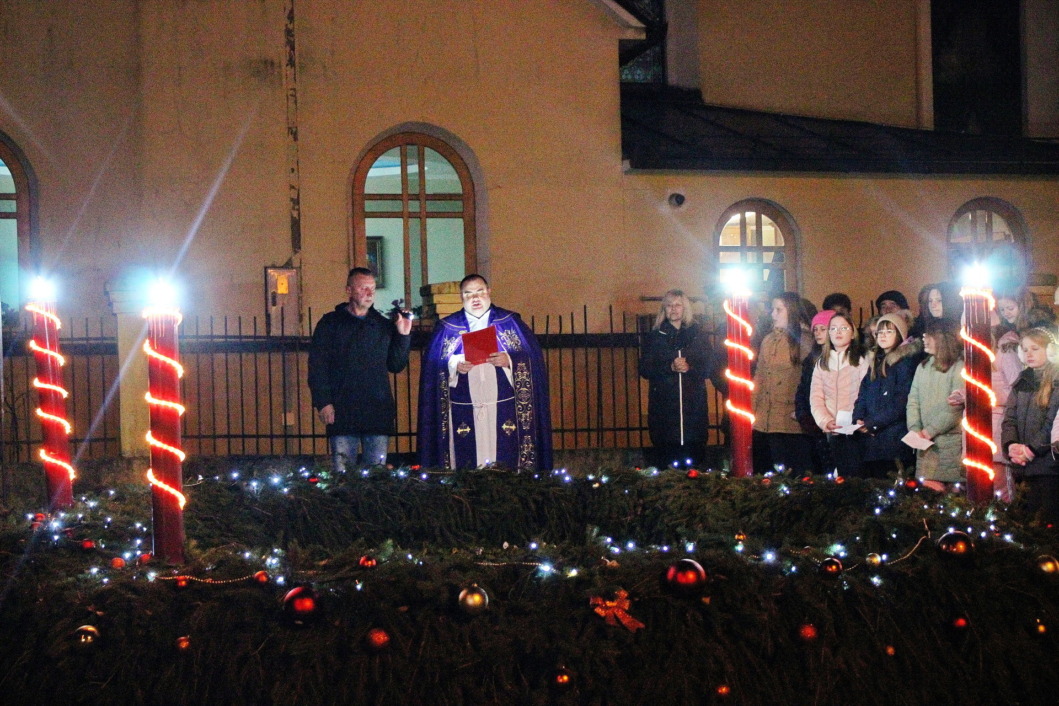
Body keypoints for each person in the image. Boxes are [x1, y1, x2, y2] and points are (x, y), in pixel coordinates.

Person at [417, 274, 552, 471]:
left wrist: (509, 360)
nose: (475, 298)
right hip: (463, 407)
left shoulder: (510, 322)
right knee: (467, 461)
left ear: (488, 292)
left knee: (505, 459)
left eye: (480, 292)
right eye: (468, 294)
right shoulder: (447, 328)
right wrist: (454, 364)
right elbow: (433, 367)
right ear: (461, 298)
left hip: (504, 406)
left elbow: (531, 358)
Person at [308, 267, 412, 471]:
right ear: (349, 290)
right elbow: (317, 366)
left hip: (377, 410)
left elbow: (396, 365)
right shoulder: (330, 324)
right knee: (343, 472)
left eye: (372, 288)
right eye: (363, 288)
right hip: (342, 409)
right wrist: (323, 402)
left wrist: (403, 336)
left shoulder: (382, 325)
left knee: (376, 474)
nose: (370, 293)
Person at [639, 289, 713, 468]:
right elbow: (645, 368)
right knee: (667, 457)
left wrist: (690, 368)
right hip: (664, 409)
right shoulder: (654, 338)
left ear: (685, 308)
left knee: (694, 457)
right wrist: (669, 368)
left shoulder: (698, 336)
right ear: (663, 310)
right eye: (669, 305)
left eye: (678, 305)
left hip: (693, 408)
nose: (673, 309)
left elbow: (709, 366)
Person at [852, 311, 922, 478]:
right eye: (880, 332)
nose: (883, 336)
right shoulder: (876, 361)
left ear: (900, 334)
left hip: (893, 439)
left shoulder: (905, 363)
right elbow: (863, 393)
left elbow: (900, 402)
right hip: (872, 439)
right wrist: (858, 418)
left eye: (889, 331)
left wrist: (872, 423)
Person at [751, 292, 813, 474]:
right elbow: (759, 377)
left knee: (794, 473)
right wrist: (753, 411)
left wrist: (804, 410)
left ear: (792, 311)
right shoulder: (768, 340)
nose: (773, 314)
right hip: (766, 419)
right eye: (773, 309)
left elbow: (810, 379)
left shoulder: (804, 340)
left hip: (792, 420)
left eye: (779, 309)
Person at [1002, 327, 1059, 523]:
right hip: (1022, 466)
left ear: (1051, 350)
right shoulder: (1022, 381)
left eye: (1035, 349)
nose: (1028, 354)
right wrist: (1011, 445)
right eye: (1025, 349)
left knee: (1045, 525)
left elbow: (1051, 424)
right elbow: (1009, 419)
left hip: (1048, 468)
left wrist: (1031, 450)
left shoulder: (1056, 381)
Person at [906, 320, 965, 492]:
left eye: (929, 335)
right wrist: (915, 428)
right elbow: (913, 400)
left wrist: (929, 431)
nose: (924, 339)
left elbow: (955, 407)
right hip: (926, 447)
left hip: (951, 444)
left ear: (942, 338)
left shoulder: (959, 367)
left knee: (954, 499)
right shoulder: (923, 366)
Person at [810, 312, 870, 477]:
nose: (838, 332)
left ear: (852, 333)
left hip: (856, 428)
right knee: (839, 475)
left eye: (843, 328)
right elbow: (816, 397)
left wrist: (856, 419)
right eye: (833, 328)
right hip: (833, 429)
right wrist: (826, 421)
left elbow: (866, 394)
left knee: (856, 475)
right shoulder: (822, 362)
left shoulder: (861, 360)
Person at [796, 309, 835, 474]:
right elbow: (804, 388)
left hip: (835, 420)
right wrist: (802, 413)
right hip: (814, 420)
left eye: (823, 329)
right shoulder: (811, 358)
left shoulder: (840, 357)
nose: (818, 333)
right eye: (815, 330)